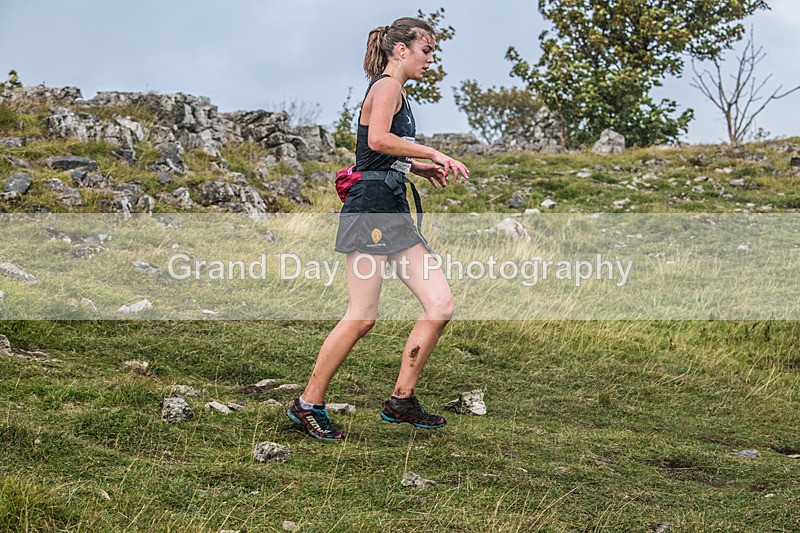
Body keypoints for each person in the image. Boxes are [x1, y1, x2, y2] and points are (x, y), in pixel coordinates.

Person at [287, 17, 470, 441]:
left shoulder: (398, 92)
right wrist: (433, 152)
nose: (430, 60)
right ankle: (307, 403)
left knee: (439, 305)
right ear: (401, 49)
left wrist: (416, 167)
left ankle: (401, 400)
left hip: (392, 210)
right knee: (362, 317)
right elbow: (378, 141)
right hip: (370, 212)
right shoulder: (385, 85)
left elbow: (380, 154)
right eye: (426, 51)